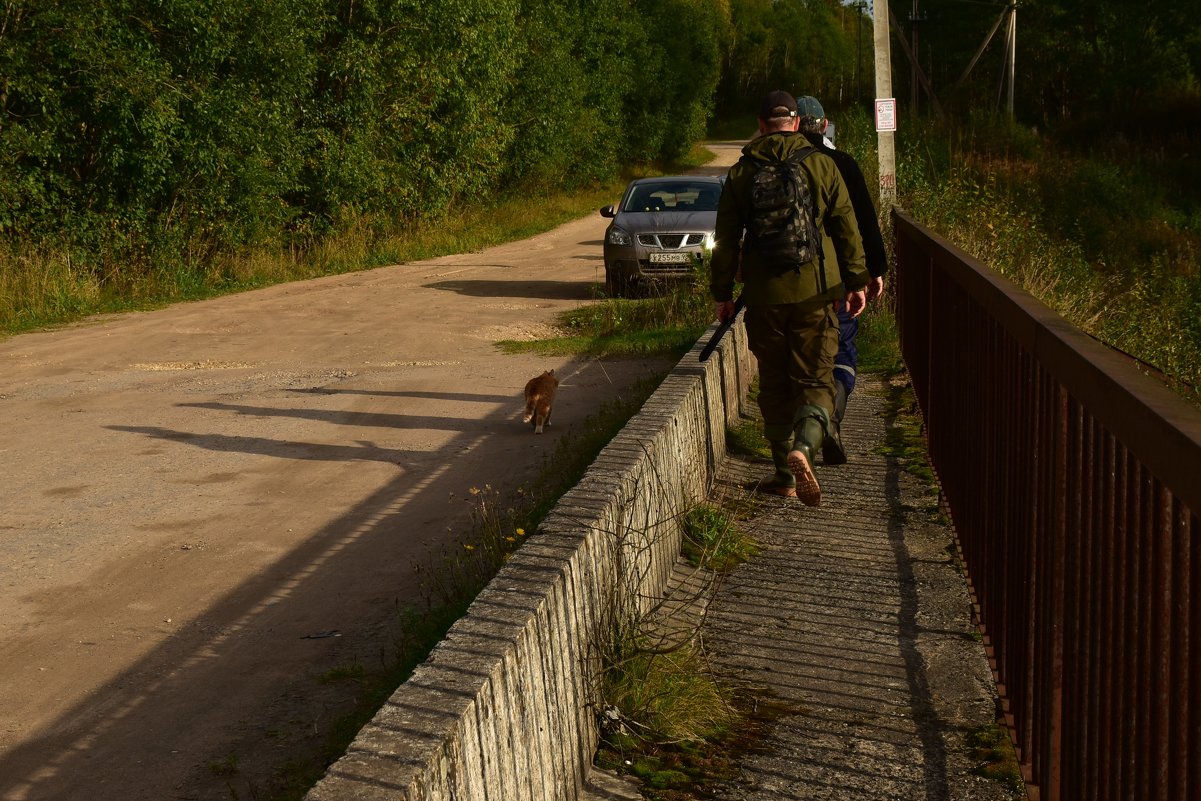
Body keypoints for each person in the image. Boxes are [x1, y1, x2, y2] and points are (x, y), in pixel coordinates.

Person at [710, 90, 869, 506]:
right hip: (817, 294)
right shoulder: (822, 165)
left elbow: (725, 242)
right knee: (816, 380)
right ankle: (806, 445)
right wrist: (857, 282)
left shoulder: (742, 173)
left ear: (761, 125)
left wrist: (722, 294)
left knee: (775, 383)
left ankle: (783, 474)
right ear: (797, 123)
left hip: (764, 297)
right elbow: (847, 228)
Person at [795, 95, 889, 465]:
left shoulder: (780, 165)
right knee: (842, 351)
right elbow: (864, 221)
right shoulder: (843, 164)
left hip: (791, 282)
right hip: (837, 282)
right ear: (825, 125)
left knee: (801, 356)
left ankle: (799, 435)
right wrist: (874, 271)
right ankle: (830, 421)